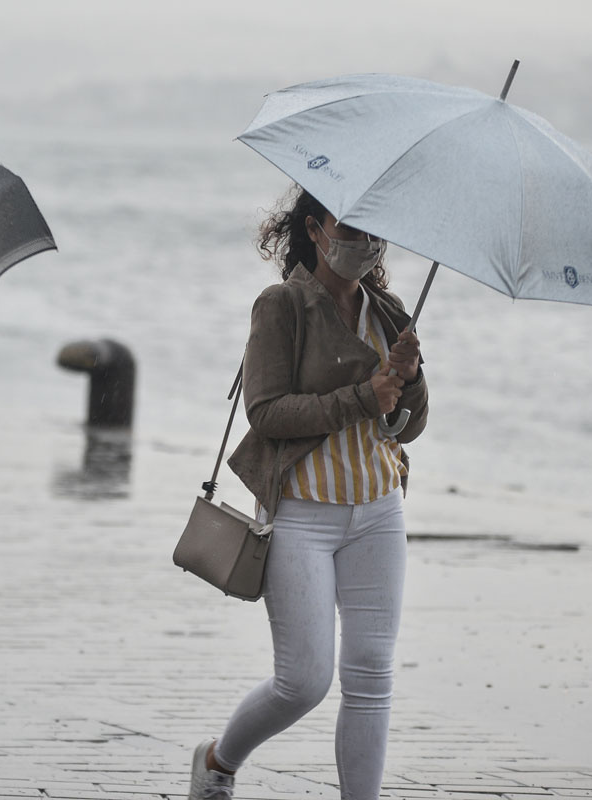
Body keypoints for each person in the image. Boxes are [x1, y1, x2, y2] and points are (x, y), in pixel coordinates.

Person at [188, 187, 428, 800]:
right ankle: (218, 760)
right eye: (349, 226)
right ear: (316, 230)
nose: (364, 242)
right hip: (301, 513)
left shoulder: (391, 311)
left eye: (374, 229)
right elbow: (266, 413)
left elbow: (410, 426)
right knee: (304, 681)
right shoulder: (282, 305)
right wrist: (363, 396)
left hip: (378, 508)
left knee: (372, 675)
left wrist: (410, 378)